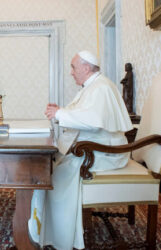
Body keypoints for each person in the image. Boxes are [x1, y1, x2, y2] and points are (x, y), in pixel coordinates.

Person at [28, 51, 132, 249]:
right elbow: (86, 115)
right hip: (95, 148)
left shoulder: (101, 88)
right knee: (49, 167)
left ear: (86, 68)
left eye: (73, 67)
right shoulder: (93, 86)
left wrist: (60, 113)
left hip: (104, 153)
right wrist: (61, 112)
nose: (71, 72)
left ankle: (59, 236)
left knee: (54, 175)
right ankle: (42, 225)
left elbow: (93, 122)